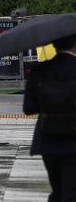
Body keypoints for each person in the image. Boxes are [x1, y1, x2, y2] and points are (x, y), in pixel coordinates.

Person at [23, 34, 76, 201]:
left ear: (53, 45)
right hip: (74, 138)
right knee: (71, 192)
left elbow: (28, 108)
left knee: (57, 189)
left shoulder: (40, 69)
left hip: (48, 137)